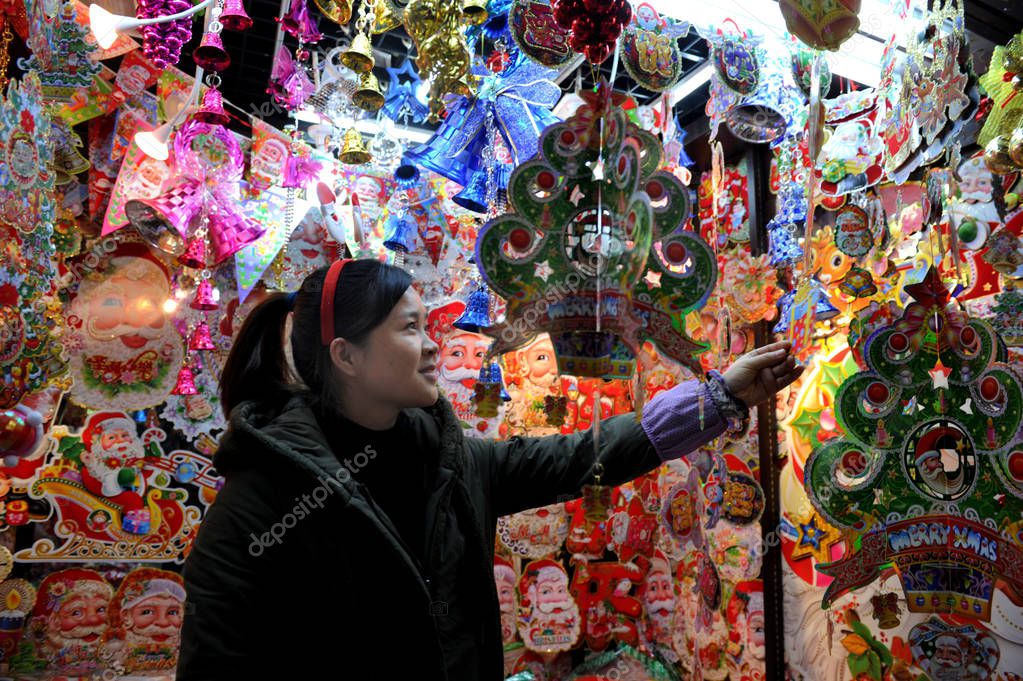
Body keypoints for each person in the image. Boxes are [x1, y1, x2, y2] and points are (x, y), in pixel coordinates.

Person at [178, 258, 802, 680]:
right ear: (347, 355)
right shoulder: (258, 508)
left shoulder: (448, 459)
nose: (432, 345)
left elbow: (579, 456)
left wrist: (719, 397)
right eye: (410, 328)